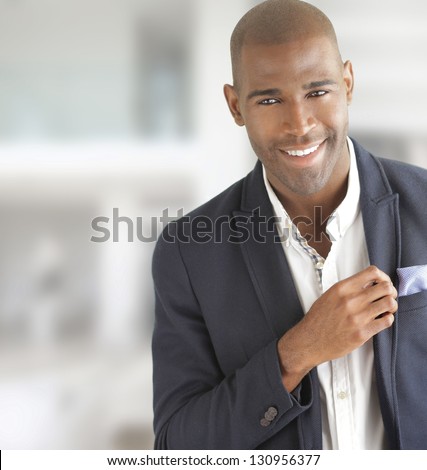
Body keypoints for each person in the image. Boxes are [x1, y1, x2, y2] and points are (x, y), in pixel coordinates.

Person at [151, 0, 427, 450]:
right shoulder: (187, 253)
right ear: (236, 105)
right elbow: (176, 446)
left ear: (348, 83)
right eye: (269, 99)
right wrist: (297, 353)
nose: (300, 124)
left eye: (317, 92)